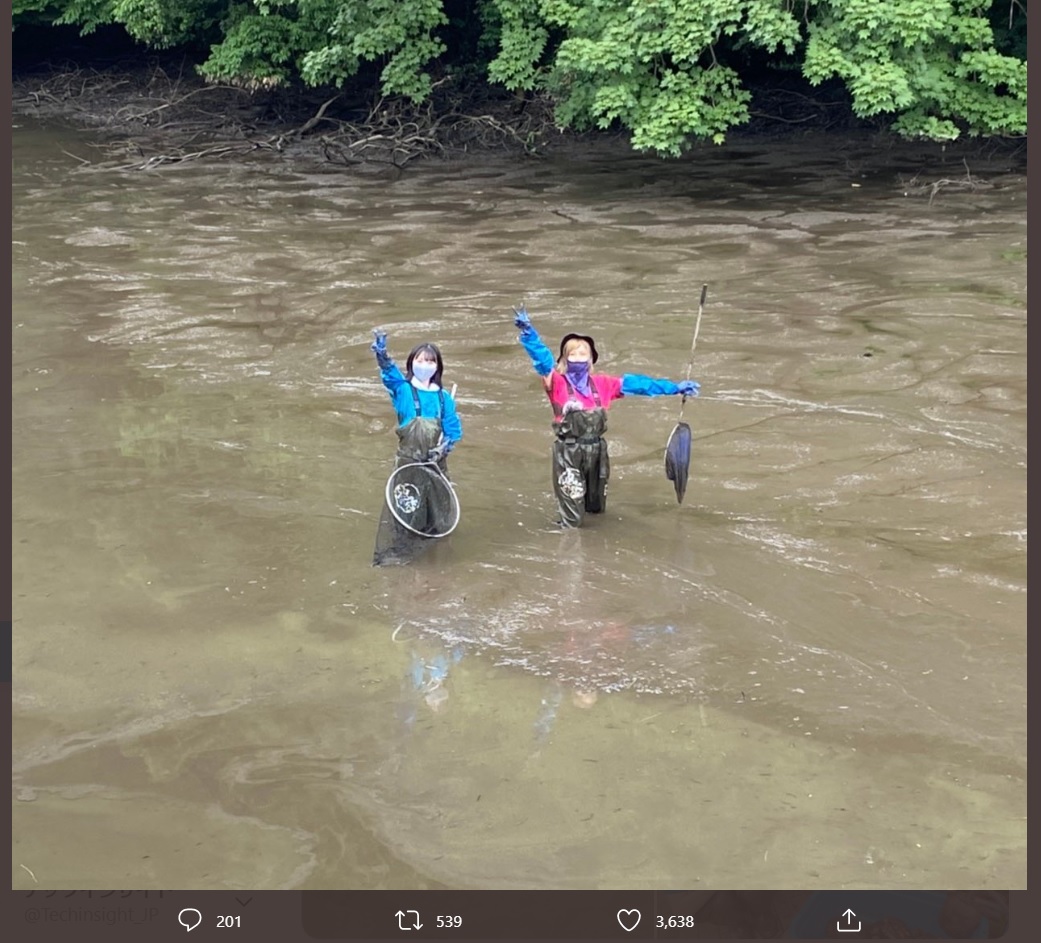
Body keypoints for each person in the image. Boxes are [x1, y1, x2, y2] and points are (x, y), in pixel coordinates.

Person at [512, 304, 700, 527]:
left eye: (584, 354)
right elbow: (542, 360)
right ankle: (568, 550)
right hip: (568, 451)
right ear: (564, 359)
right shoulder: (555, 381)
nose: (579, 358)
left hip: (598, 451)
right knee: (572, 516)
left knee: (597, 510)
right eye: (573, 354)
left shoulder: (604, 384)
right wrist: (528, 333)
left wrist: (675, 388)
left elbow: (641, 385)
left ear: (591, 360)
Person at [370, 330, 463, 565]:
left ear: (437, 366)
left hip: (435, 465)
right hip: (408, 463)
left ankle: (434, 558)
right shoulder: (402, 390)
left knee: (438, 515)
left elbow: (453, 430)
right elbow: (389, 374)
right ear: (411, 363)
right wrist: (382, 355)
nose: (425, 365)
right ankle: (404, 553)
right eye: (420, 360)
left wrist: (444, 447)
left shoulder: (444, 398)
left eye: (430, 361)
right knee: (407, 512)